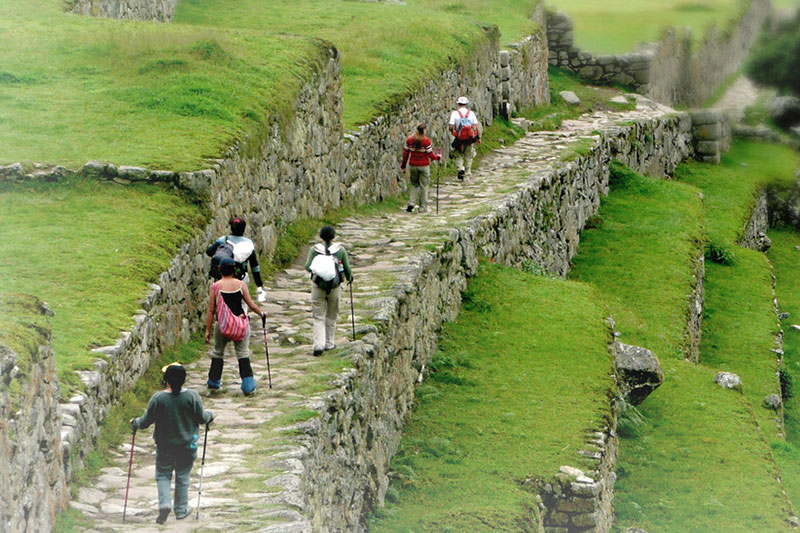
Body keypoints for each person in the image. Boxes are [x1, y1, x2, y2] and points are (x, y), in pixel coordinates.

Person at [131, 363, 213, 524]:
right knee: (182, 476)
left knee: (163, 475)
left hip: (165, 446)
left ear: (166, 380)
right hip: (188, 445)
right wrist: (210, 415)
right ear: (184, 379)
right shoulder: (192, 397)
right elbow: (202, 418)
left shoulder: (158, 398)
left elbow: (146, 421)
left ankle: (165, 504)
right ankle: (181, 510)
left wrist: (135, 422)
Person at [205, 257, 265, 394]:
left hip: (222, 325)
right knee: (243, 353)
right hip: (240, 325)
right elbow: (251, 304)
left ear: (219, 270)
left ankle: (214, 383)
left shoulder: (215, 287)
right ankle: (248, 386)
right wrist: (262, 314)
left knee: (218, 352)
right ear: (234, 270)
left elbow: (211, 310)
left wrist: (207, 330)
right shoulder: (240, 285)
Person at [304, 225, 353, 357]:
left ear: (321, 236)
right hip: (335, 287)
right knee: (332, 315)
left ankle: (318, 345)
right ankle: (329, 343)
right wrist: (349, 278)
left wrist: (318, 270)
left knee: (318, 316)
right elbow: (347, 269)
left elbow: (308, 266)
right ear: (333, 236)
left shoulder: (314, 250)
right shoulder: (340, 250)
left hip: (318, 286)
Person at [206, 217, 267, 303]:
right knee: (242, 302)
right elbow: (254, 266)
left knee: (222, 301)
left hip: (222, 277)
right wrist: (259, 283)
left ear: (231, 228)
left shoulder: (223, 240)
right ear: (244, 229)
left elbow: (209, 252)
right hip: (241, 277)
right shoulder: (248, 243)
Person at [400, 123, 441, 213]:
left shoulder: (410, 140)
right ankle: (422, 207)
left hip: (413, 166)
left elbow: (406, 154)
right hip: (424, 166)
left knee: (414, 184)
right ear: (424, 130)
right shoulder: (426, 141)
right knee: (424, 186)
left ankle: (411, 203)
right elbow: (431, 155)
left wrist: (403, 166)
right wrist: (438, 157)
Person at [448, 96, 481, 181]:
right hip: (469, 138)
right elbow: (475, 126)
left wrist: (454, 133)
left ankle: (460, 169)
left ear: (458, 104)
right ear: (466, 104)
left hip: (459, 138)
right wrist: (478, 137)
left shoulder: (455, 113)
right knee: (468, 156)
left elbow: (451, 126)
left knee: (457, 154)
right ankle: (468, 172)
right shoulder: (471, 113)